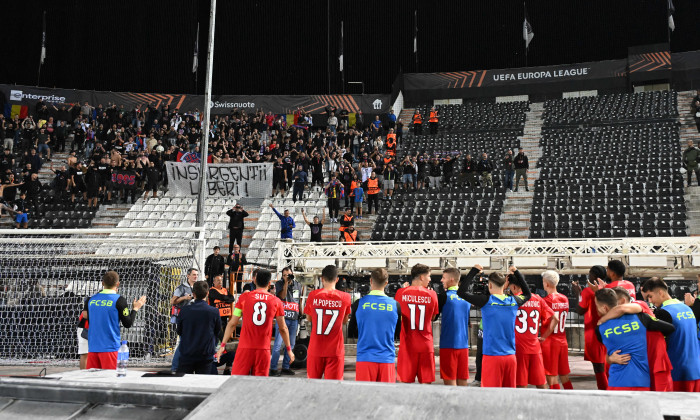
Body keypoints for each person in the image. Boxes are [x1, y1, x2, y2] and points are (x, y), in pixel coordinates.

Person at [456, 265, 531, 388]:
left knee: (491, 397)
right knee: (509, 396)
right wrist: (516, 272)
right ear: (504, 285)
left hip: (492, 357)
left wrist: (474, 271)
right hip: (510, 357)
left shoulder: (486, 301)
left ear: (490, 285)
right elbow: (528, 294)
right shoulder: (513, 301)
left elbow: (461, 292)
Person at [216, 269, 295, 376]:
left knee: (237, 381)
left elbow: (232, 323)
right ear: (269, 284)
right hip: (263, 349)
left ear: (255, 281)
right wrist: (289, 349)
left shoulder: (244, 297)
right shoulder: (276, 301)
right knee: (259, 386)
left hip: (245, 348)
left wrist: (223, 345)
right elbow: (283, 328)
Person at [593, 288, 675, 391]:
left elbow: (607, 351)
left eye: (596, 307)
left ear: (604, 308)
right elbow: (669, 328)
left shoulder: (600, 329)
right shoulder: (641, 318)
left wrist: (609, 359)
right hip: (642, 382)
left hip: (615, 382)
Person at [641, 278, 700, 392]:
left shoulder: (663, 313)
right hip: (695, 370)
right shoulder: (686, 308)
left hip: (677, 373)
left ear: (661, 293)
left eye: (650, 296)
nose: (650, 301)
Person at [83, 271, 147, 369]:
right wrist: (136, 308)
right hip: (110, 348)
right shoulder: (119, 300)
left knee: (93, 381)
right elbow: (128, 323)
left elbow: (86, 316)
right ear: (118, 284)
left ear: (102, 283)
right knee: (110, 380)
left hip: (93, 348)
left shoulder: (91, 299)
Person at [507, 267, 556, 389]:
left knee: (521, 384)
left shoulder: (512, 300)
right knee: (541, 383)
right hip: (535, 347)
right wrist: (544, 337)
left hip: (518, 347)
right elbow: (555, 319)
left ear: (513, 287)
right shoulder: (537, 298)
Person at [349, 268, 401, 383]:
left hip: (365, 358)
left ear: (371, 281)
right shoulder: (395, 305)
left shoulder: (359, 303)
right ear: (386, 283)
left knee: (364, 397)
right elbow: (398, 334)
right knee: (385, 398)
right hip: (387, 358)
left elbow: (351, 331)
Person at [303, 265, 352, 380]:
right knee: (333, 389)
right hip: (335, 350)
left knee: (313, 386)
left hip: (315, 348)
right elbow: (344, 321)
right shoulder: (345, 297)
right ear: (337, 279)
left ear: (322, 279)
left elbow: (309, 319)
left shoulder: (313, 295)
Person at [393, 264, 439, 384]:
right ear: (422, 277)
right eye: (429, 276)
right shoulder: (432, 294)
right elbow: (433, 317)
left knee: (405, 384)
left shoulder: (400, 293)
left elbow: (398, 314)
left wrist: (404, 290)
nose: (430, 279)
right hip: (425, 344)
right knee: (426, 384)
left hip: (407, 345)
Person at [571, 265, 609, 390]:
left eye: (590, 273)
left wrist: (578, 294)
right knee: (608, 364)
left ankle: (605, 391)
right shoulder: (608, 289)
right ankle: (612, 388)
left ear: (594, 276)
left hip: (593, 333)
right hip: (609, 331)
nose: (588, 276)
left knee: (598, 367)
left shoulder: (588, 291)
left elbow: (580, 310)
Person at [177, 281, 221, 375]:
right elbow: (217, 331)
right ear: (207, 293)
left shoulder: (184, 311)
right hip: (205, 354)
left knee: (183, 383)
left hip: (187, 352)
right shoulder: (214, 312)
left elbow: (179, 331)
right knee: (203, 384)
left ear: (193, 294)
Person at [540, 270, 574, 390]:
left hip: (550, 342)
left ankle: (556, 401)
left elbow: (550, 320)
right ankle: (572, 398)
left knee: (551, 376)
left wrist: (543, 336)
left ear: (546, 284)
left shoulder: (546, 301)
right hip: (562, 340)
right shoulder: (564, 298)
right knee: (564, 375)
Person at [437, 268, 470, 386]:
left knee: (449, 381)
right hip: (463, 344)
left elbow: (433, 317)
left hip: (448, 344)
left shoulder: (443, 296)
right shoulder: (467, 297)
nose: (441, 280)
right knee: (462, 380)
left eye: (443, 277)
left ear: (451, 279)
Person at [270, 267, 303, 376]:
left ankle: (286, 367)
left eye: (288, 275)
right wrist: (285, 283)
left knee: (291, 344)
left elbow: (299, 300)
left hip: (294, 318)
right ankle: (273, 368)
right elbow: (283, 296)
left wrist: (301, 314)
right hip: (283, 318)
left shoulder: (298, 285)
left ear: (292, 274)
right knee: (278, 345)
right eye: (284, 275)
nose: (286, 277)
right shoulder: (279, 284)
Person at [170, 268, 199, 372]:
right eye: (194, 275)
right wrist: (184, 298)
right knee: (183, 341)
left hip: (193, 318)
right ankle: (175, 366)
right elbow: (173, 301)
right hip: (183, 318)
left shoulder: (196, 288)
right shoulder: (181, 288)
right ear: (188, 276)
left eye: (197, 275)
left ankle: (184, 364)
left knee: (189, 341)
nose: (196, 277)